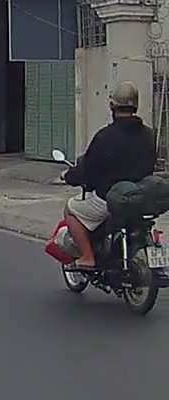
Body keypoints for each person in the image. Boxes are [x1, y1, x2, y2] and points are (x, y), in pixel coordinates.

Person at [60, 82, 157, 269]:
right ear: (136, 106)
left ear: (113, 106)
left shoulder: (104, 136)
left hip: (108, 200)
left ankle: (87, 257)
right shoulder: (149, 135)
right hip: (139, 197)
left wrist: (70, 176)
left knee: (71, 209)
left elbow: (87, 170)